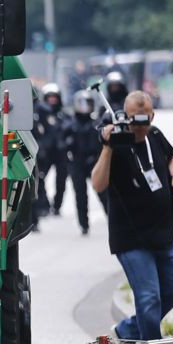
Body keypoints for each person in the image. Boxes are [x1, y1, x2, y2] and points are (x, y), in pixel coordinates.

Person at [91, 91, 173, 344]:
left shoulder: (155, 136)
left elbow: (172, 158)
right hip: (131, 238)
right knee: (149, 298)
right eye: (134, 122)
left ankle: (128, 329)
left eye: (145, 122)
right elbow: (98, 183)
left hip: (162, 233)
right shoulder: (118, 143)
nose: (140, 129)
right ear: (124, 117)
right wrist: (108, 147)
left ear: (153, 117)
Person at [64, 89, 102, 235]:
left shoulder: (96, 124)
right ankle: (84, 224)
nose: (85, 107)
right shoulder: (71, 125)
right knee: (80, 195)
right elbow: (62, 143)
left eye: (88, 104)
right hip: (77, 163)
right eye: (82, 104)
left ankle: (111, 218)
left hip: (93, 163)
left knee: (102, 191)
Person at [33, 83, 69, 218]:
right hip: (46, 152)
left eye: (55, 97)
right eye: (50, 97)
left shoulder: (63, 115)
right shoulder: (40, 114)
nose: (52, 99)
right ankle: (44, 205)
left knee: (61, 181)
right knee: (40, 178)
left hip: (61, 153)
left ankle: (57, 206)